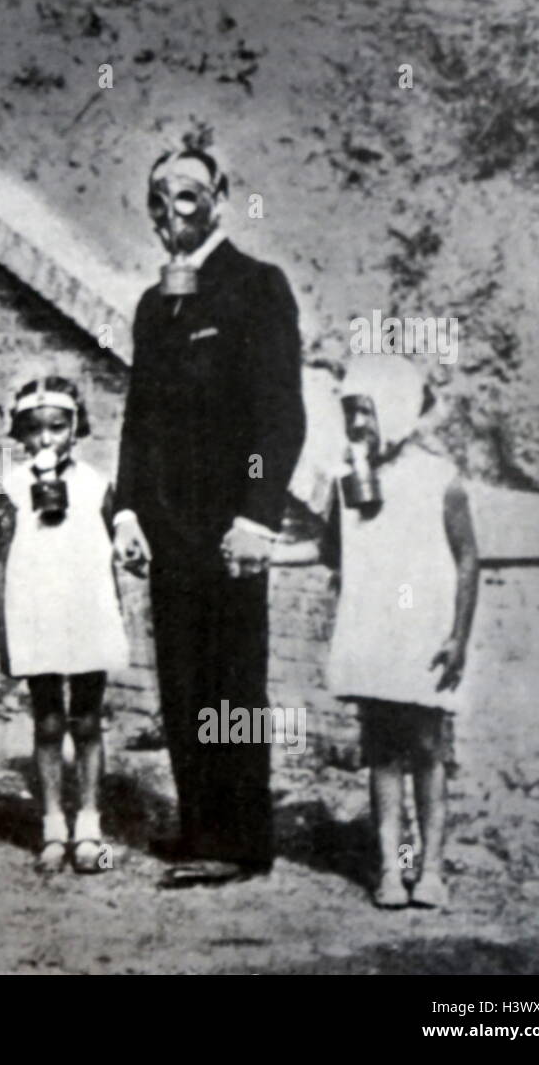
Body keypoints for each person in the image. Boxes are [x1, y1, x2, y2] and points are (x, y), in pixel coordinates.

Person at [113, 145, 306, 887]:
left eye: (188, 195)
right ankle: (200, 826)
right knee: (184, 681)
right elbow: (138, 422)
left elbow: (280, 418)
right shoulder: (154, 304)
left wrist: (257, 516)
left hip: (230, 530)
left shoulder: (258, 288)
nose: (172, 212)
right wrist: (127, 510)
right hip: (168, 529)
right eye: (159, 198)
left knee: (234, 679)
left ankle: (241, 838)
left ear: (221, 198)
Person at [279, 354, 479, 909]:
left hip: (425, 638)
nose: (358, 426)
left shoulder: (440, 479)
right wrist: (265, 559)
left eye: (365, 413)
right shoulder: (348, 482)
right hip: (374, 633)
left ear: (394, 409)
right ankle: (392, 868)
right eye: (349, 415)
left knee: (428, 749)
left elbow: (467, 560)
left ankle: (432, 868)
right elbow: (330, 552)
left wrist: (458, 636)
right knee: (384, 753)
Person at [0, 377, 129, 873]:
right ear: (20, 434)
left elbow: (113, 556)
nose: (46, 438)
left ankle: (89, 822)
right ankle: (52, 822)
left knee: (88, 719)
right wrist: (8, 635)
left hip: (85, 610)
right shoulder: (11, 485)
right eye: (34, 430)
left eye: (57, 426)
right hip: (37, 612)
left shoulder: (96, 485)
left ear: (76, 428)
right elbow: (2, 562)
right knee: (48, 719)